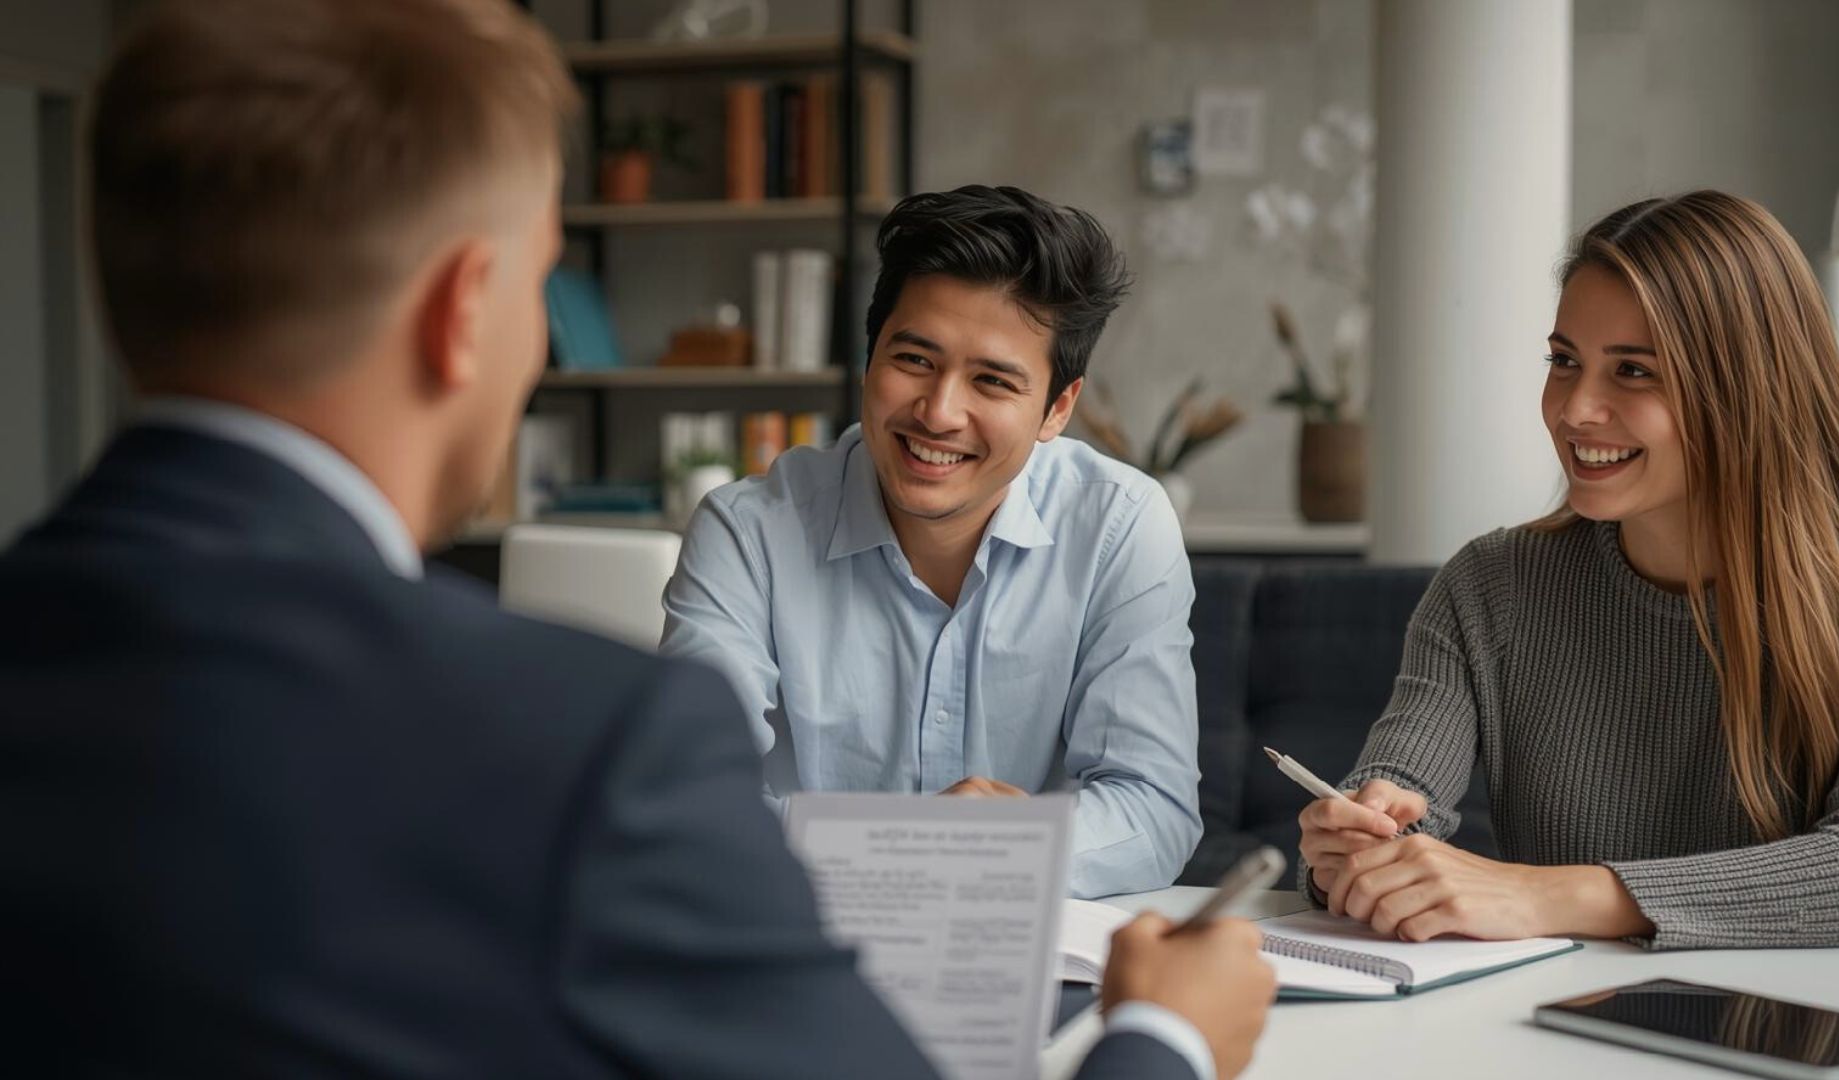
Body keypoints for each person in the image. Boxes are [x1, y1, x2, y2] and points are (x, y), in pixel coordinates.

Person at [0, 2, 1277, 1077]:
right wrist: (1164, 1035)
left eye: (993, 382)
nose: (941, 412)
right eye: (544, 277)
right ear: (465, 310)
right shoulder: (578, 745)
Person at [1297, 191, 1839, 950]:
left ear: (1747, 389)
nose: (1575, 408)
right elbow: (1402, 797)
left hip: (1799, 1047)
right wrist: (1359, 850)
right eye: (1565, 362)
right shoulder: (1488, 586)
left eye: (1632, 371)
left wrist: (1540, 895)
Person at [660, 185, 1202, 899]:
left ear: (1058, 408)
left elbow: (1154, 808)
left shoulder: (1120, 525)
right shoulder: (746, 533)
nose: (940, 413)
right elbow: (688, 798)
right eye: (914, 360)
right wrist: (928, 853)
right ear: (870, 353)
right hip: (795, 952)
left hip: (1029, 959)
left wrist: (993, 849)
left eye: (993, 381)